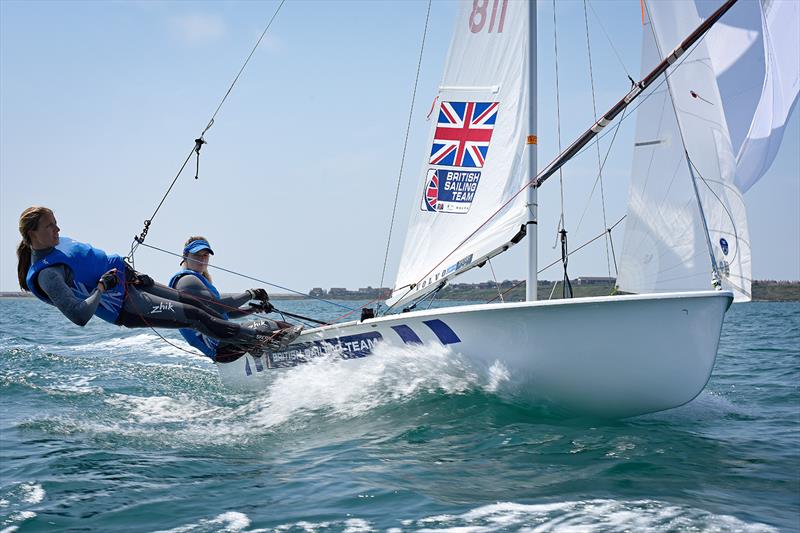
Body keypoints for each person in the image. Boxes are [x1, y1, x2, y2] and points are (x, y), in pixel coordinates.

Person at [16, 206, 300, 358]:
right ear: (33, 233)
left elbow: (91, 262)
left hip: (132, 283)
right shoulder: (47, 274)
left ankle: (251, 340)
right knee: (194, 315)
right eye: (51, 225)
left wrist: (129, 273)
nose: (58, 228)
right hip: (124, 306)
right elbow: (78, 315)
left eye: (56, 222)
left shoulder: (57, 244)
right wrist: (102, 286)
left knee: (195, 303)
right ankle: (262, 341)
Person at [168, 236, 300, 362]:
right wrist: (251, 293)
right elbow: (217, 307)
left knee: (277, 327)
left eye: (205, 255)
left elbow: (227, 313)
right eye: (197, 255)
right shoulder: (187, 280)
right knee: (272, 326)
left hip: (224, 345)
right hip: (220, 346)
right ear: (185, 256)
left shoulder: (198, 279)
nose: (202, 259)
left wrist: (253, 308)